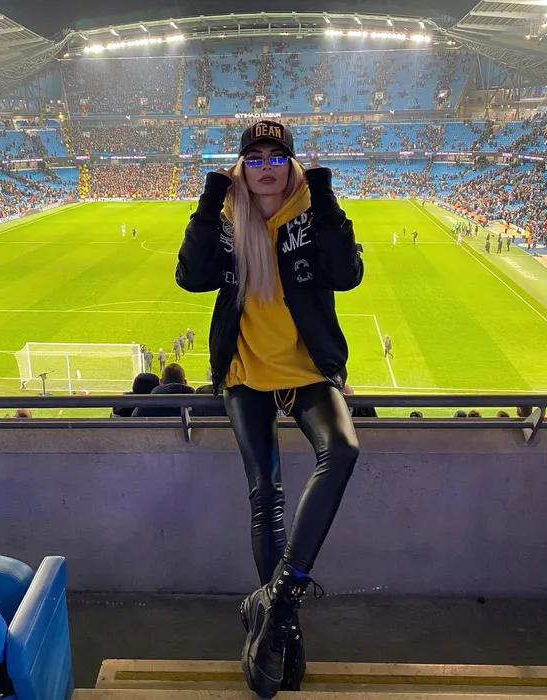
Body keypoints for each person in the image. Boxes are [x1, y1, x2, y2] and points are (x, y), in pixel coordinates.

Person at [176, 120, 363, 698]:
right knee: (267, 496)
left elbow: (347, 275)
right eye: (253, 158)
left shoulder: (311, 216)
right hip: (245, 371)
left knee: (342, 449)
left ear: (291, 165)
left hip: (308, 369)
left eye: (276, 157)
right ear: (240, 168)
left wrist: (325, 197)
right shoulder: (228, 223)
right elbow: (190, 278)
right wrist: (209, 200)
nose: (265, 167)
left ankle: (276, 604)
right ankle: (285, 633)